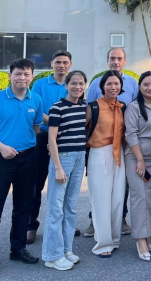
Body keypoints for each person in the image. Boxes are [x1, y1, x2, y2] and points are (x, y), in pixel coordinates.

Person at [0, 58, 44, 278]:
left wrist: (23, 146)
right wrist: (2, 147)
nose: (22, 78)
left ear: (31, 77)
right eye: (18, 74)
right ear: (10, 76)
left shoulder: (36, 99)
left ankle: (18, 249)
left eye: (26, 74)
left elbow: (35, 128)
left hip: (28, 159)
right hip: (1, 160)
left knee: (23, 207)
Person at [85, 48, 138, 237]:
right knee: (99, 187)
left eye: (119, 58)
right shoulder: (96, 84)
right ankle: (95, 220)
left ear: (124, 61)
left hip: (122, 145)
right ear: (107, 61)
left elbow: (135, 112)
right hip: (99, 147)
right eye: (112, 58)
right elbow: (88, 116)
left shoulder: (133, 84)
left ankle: (120, 218)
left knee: (120, 187)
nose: (116, 61)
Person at [42, 70, 88, 271]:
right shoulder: (57, 108)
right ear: (67, 85)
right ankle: (52, 255)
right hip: (64, 158)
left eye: (81, 83)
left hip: (79, 157)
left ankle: (66, 249)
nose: (77, 87)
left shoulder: (84, 107)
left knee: (71, 207)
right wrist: (58, 167)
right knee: (56, 208)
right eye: (74, 83)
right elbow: (51, 139)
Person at [28, 50, 73, 245]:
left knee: (64, 184)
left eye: (65, 62)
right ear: (52, 64)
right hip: (42, 136)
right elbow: (37, 110)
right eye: (58, 62)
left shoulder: (73, 83)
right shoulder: (40, 84)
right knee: (36, 183)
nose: (61, 65)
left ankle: (64, 223)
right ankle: (30, 225)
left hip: (65, 139)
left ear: (70, 65)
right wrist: (55, 125)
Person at [124, 71, 151, 261]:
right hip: (136, 156)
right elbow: (130, 134)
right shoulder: (133, 107)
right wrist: (140, 159)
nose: (150, 88)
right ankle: (140, 239)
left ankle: (148, 234)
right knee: (139, 196)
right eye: (146, 84)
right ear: (140, 87)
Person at [86, 70, 127, 258]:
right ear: (102, 86)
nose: (113, 87)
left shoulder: (123, 107)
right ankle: (103, 243)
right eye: (109, 83)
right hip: (99, 153)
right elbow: (80, 130)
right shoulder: (94, 107)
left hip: (118, 154)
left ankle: (114, 238)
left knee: (118, 199)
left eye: (116, 83)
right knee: (101, 199)